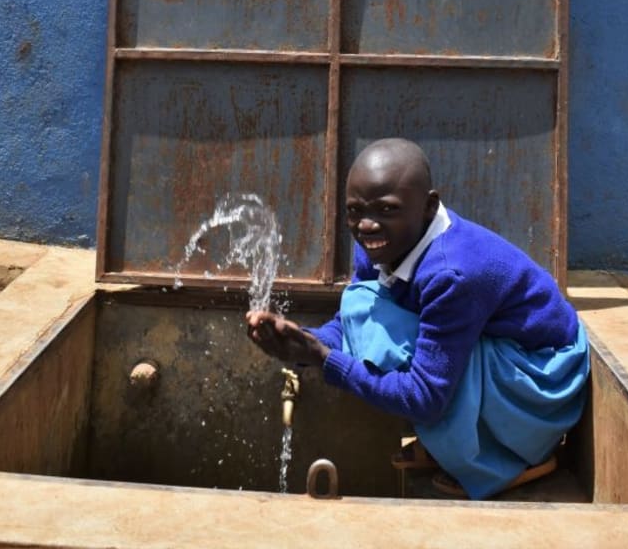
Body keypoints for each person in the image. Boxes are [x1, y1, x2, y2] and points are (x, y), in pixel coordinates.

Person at [245, 138, 589, 500]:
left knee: (408, 345)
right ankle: (457, 439)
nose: (366, 225)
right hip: (503, 359)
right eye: (354, 210)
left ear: (428, 206)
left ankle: (507, 457)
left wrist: (325, 360)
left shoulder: (451, 274)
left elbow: (424, 397)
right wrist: (302, 343)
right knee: (366, 304)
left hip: (542, 384)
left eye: (386, 210)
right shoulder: (387, 242)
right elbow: (354, 322)